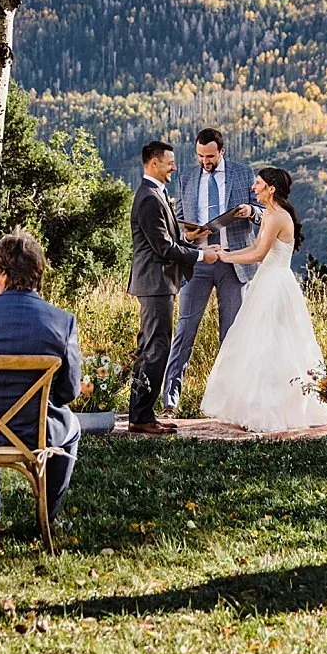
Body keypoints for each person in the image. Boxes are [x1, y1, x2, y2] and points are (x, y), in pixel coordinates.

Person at [0, 230, 83, 536]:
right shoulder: (62, 321)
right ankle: (47, 517)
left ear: (3, 275)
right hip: (36, 433)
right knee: (71, 427)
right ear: (36, 275)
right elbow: (68, 391)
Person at [200, 167, 327, 434]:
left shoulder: (277, 217)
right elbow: (253, 248)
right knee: (257, 341)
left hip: (275, 284)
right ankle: (253, 404)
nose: (254, 187)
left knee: (272, 344)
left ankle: (272, 408)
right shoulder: (271, 215)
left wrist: (225, 258)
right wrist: (226, 253)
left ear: (271, 188)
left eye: (258, 184)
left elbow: (259, 254)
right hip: (267, 281)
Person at [162, 128, 259, 413]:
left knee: (231, 335)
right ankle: (170, 400)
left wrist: (250, 212)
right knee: (184, 330)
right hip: (199, 262)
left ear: (222, 151)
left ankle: (231, 400)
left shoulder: (244, 173)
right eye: (201, 156)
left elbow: (264, 213)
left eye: (210, 156)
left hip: (233, 263)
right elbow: (179, 219)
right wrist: (187, 236)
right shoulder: (188, 177)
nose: (205, 161)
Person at [126, 140, 219, 434]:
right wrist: (203, 255)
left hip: (158, 282)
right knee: (156, 349)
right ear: (153, 163)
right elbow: (163, 247)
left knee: (151, 347)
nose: (174, 167)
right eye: (169, 162)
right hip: (155, 283)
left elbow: (169, 240)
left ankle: (141, 413)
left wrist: (191, 240)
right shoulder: (150, 198)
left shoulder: (155, 194)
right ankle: (141, 418)